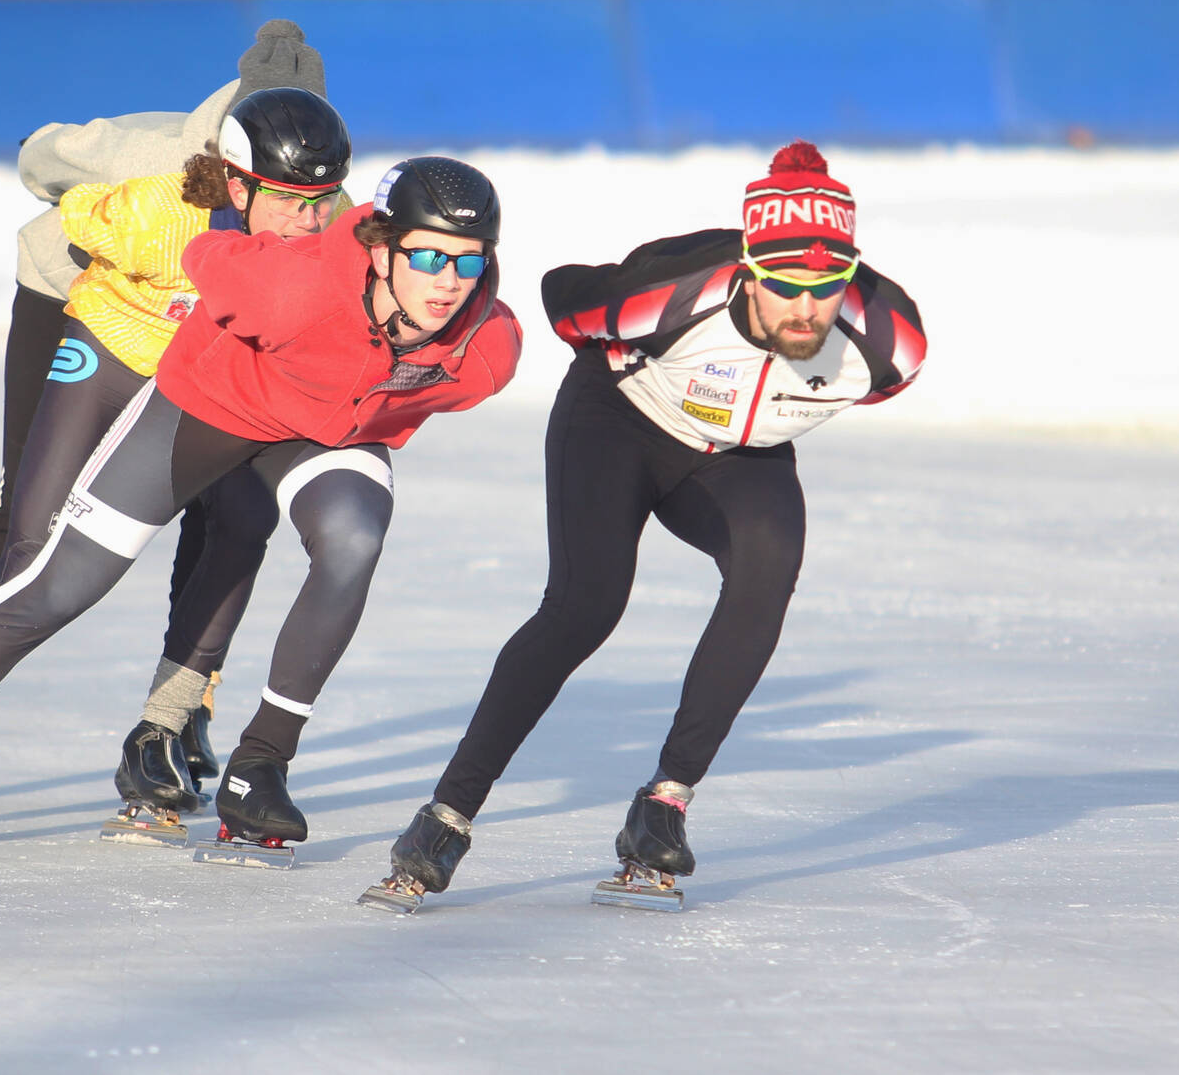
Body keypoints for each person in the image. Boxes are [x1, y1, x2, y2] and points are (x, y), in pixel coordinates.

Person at [0, 155, 523, 866]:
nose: (448, 280)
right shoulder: (290, 286)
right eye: (428, 255)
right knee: (56, 587)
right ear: (385, 249)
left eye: (468, 259)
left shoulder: (487, 348)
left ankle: (262, 763)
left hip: (318, 433)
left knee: (355, 537)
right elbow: (206, 258)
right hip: (208, 408)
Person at [369, 141, 927, 908]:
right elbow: (562, 295)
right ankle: (445, 816)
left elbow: (855, 386)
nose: (807, 309)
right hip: (619, 419)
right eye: (786, 284)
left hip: (736, 455)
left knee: (771, 559)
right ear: (749, 266)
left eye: (826, 285)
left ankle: (663, 807)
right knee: (586, 605)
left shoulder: (890, 343)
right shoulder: (674, 292)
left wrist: (748, 419)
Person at [0, 21, 343, 813]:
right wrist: (64, 179)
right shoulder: (149, 157)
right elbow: (41, 156)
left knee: (228, 508)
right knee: (22, 517)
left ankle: (171, 717)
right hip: (77, 302)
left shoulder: (317, 204)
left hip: (201, 330)